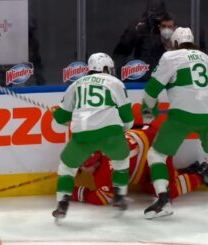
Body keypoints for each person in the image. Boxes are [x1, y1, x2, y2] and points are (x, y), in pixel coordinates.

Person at [141, 27, 208, 219]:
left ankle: (163, 199)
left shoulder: (170, 57)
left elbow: (151, 91)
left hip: (182, 115)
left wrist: (148, 112)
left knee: (157, 155)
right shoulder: (207, 59)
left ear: (174, 43)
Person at [52, 52, 134, 220]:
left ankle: (62, 204)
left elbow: (60, 120)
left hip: (82, 133)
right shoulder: (115, 82)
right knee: (121, 161)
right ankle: (119, 196)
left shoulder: (75, 85)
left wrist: (60, 116)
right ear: (104, 68)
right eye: (109, 68)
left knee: (67, 168)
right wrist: (123, 130)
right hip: (110, 131)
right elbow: (128, 116)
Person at [71, 124, 208, 205]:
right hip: (149, 134)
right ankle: (186, 171)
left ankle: (201, 175)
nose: (83, 169)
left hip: (158, 148)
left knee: (164, 191)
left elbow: (101, 198)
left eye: (83, 167)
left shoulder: (106, 173)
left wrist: (74, 192)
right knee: (148, 186)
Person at [112, 1, 175, 81]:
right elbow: (120, 53)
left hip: (165, 78)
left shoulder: (171, 27)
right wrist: (123, 74)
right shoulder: (137, 27)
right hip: (140, 77)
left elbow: (182, 54)